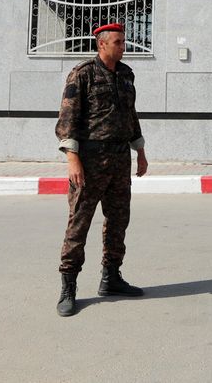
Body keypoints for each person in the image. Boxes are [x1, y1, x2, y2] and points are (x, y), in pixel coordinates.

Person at [54, 23, 148, 317]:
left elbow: (130, 114)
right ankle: (68, 287)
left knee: (119, 220)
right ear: (102, 44)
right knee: (79, 223)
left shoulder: (126, 74)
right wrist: (73, 159)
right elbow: (67, 117)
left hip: (120, 158)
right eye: (118, 42)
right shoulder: (83, 74)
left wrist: (140, 151)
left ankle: (111, 278)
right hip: (90, 160)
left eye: (123, 42)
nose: (123, 47)